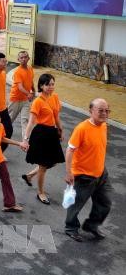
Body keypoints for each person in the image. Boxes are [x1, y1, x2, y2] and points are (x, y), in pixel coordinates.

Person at [64, 99, 111, 242]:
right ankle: (71, 228)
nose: (104, 113)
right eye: (101, 110)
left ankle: (91, 225)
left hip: (101, 172)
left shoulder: (103, 126)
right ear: (91, 111)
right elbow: (70, 150)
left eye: (107, 110)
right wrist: (69, 172)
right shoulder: (82, 128)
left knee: (105, 203)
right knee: (76, 204)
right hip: (84, 175)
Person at [23, 74, 65, 204]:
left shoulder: (55, 97)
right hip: (41, 134)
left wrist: (60, 130)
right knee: (43, 166)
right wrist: (25, 139)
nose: (51, 87)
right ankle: (40, 193)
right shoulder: (37, 102)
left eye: (52, 84)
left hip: (52, 133)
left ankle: (29, 176)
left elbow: (56, 116)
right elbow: (30, 122)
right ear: (41, 86)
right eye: (48, 84)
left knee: (53, 161)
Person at [8, 51, 34, 139]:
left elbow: (31, 80)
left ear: (28, 58)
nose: (23, 59)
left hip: (25, 100)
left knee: (25, 120)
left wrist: (33, 90)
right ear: (18, 59)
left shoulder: (30, 69)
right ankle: (1, 135)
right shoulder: (18, 71)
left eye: (25, 57)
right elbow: (20, 87)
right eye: (21, 57)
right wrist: (29, 94)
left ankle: (25, 140)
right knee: (9, 120)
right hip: (15, 99)